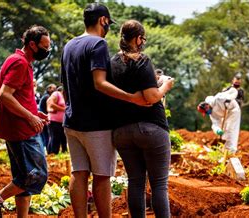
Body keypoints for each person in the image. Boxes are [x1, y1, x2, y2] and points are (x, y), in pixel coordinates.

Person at [60, 3, 147, 218]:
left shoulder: (69, 45)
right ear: (103, 20)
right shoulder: (98, 44)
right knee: (102, 176)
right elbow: (100, 83)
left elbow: (64, 86)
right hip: (96, 125)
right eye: (108, 22)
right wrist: (131, 98)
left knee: (78, 173)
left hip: (71, 122)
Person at [0, 25, 51, 218]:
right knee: (35, 175)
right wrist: (30, 117)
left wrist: (36, 112)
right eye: (44, 47)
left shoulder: (18, 60)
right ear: (32, 44)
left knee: (23, 178)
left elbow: (18, 95)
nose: (47, 51)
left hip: (21, 127)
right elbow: (5, 96)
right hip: (22, 131)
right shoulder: (20, 63)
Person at [110, 20, 174, 218]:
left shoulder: (112, 62)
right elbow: (152, 97)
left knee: (135, 181)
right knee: (159, 185)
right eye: (143, 39)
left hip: (121, 131)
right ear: (138, 39)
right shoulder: (142, 60)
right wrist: (165, 86)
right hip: (151, 127)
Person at [197, 88, 240, 153]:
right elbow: (215, 123)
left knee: (230, 129)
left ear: (207, 106)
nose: (207, 113)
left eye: (205, 112)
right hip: (226, 115)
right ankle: (225, 150)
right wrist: (217, 130)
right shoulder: (212, 114)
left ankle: (231, 150)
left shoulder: (219, 98)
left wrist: (230, 98)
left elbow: (234, 91)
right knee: (224, 133)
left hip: (233, 110)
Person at [47, 86, 67, 154]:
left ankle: (62, 153)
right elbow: (51, 104)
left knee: (63, 139)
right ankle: (53, 154)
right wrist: (64, 109)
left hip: (62, 122)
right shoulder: (56, 93)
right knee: (55, 139)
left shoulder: (63, 96)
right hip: (54, 121)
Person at [39, 83, 57, 150]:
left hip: (43, 117)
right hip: (44, 118)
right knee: (47, 136)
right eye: (53, 88)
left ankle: (47, 150)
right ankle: (49, 150)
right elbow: (49, 108)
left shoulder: (45, 96)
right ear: (49, 89)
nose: (55, 89)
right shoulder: (47, 97)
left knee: (45, 136)